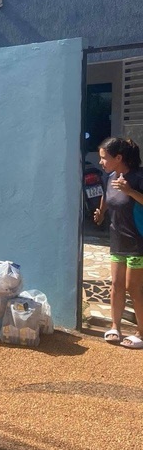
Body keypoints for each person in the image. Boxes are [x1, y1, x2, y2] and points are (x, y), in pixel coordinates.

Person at [94, 136, 143, 348]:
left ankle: (141, 332)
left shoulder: (139, 177)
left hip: (137, 243)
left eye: (104, 158)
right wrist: (102, 212)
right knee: (116, 285)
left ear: (119, 157)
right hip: (117, 240)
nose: (101, 162)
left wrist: (130, 191)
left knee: (134, 288)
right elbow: (107, 195)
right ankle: (115, 326)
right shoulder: (108, 177)